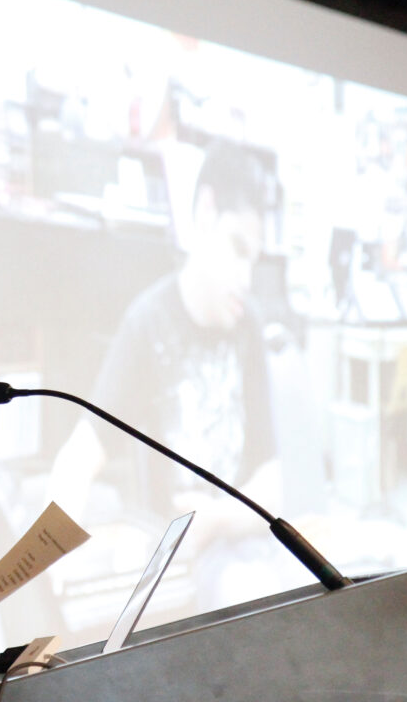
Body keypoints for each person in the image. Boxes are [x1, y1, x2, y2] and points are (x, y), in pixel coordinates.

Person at [46, 139, 283, 609]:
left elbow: (272, 484)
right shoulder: (147, 323)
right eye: (237, 249)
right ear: (205, 212)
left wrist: (214, 520)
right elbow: (78, 458)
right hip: (175, 570)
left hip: (239, 547)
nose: (246, 278)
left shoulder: (248, 326)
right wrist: (54, 563)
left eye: (253, 259)